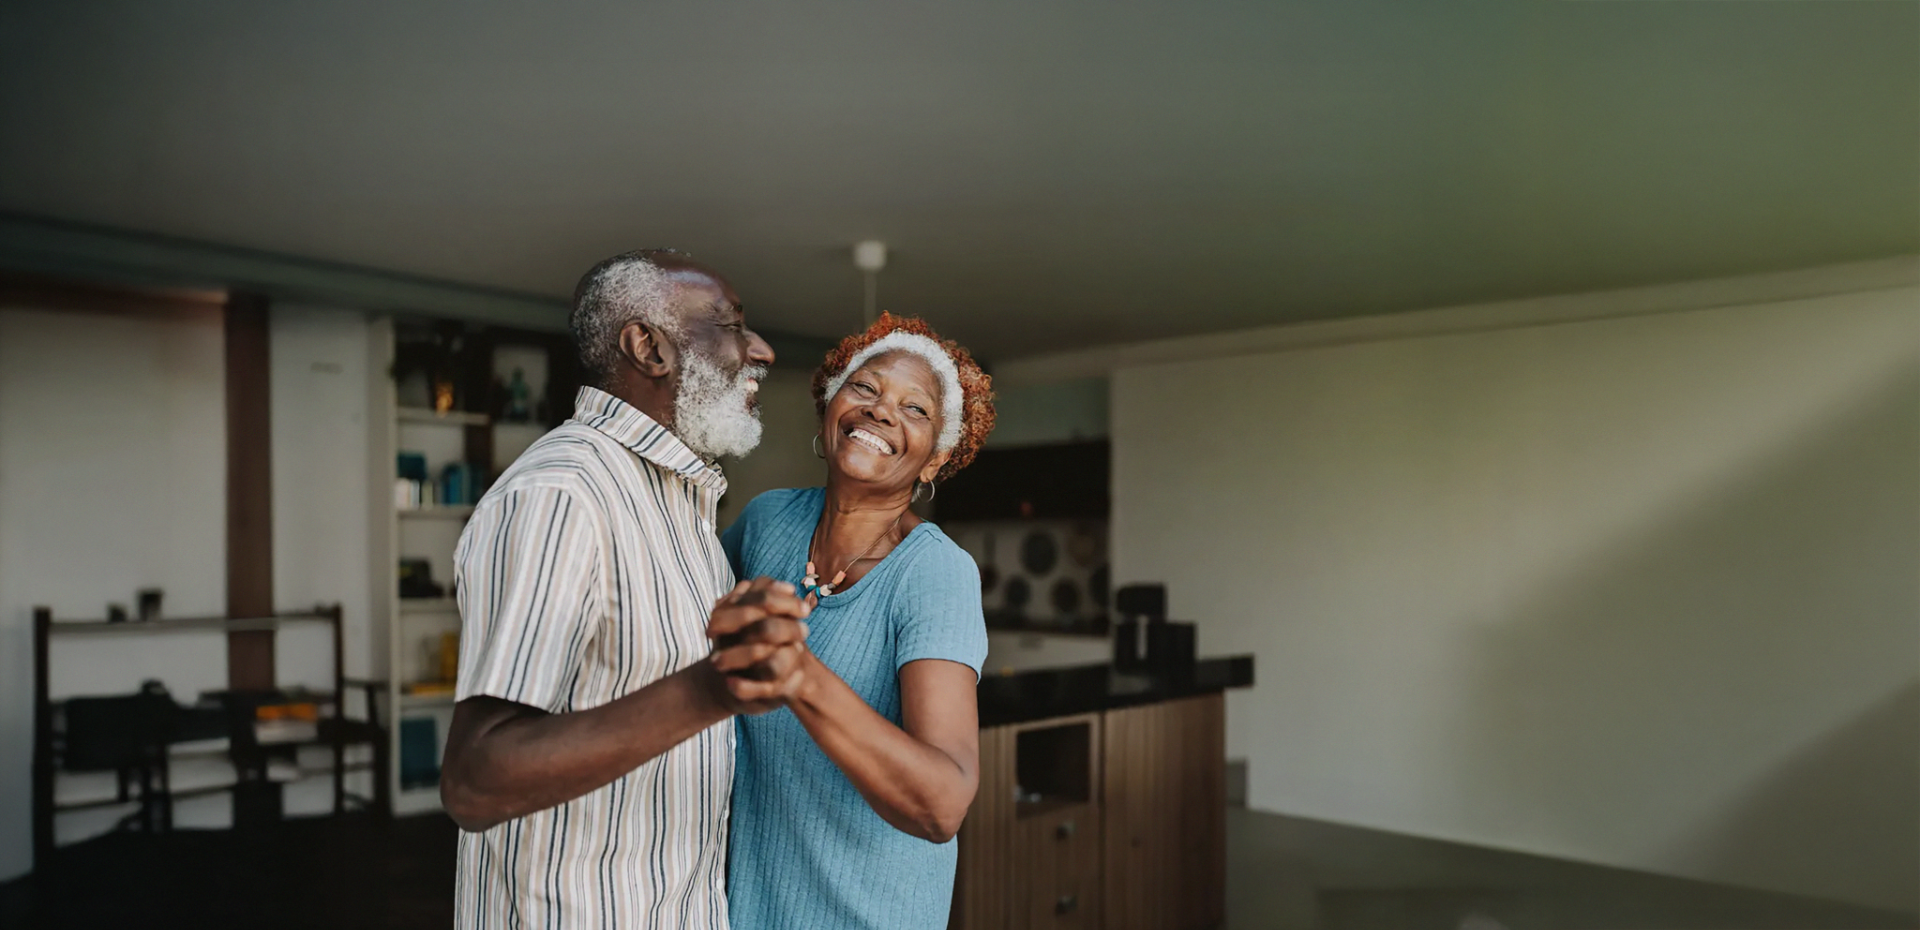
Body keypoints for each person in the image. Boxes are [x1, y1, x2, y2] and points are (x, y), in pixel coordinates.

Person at [439, 249, 814, 930]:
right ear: (649, 347)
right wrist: (712, 688)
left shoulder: (684, 508)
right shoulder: (563, 493)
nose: (759, 349)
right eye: (731, 324)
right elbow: (475, 779)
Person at [721, 314, 997, 929]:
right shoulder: (767, 523)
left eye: (915, 410)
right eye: (865, 388)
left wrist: (797, 671)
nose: (881, 411)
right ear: (829, 405)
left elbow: (942, 804)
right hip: (743, 907)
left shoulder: (935, 574)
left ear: (935, 461)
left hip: (866, 914)